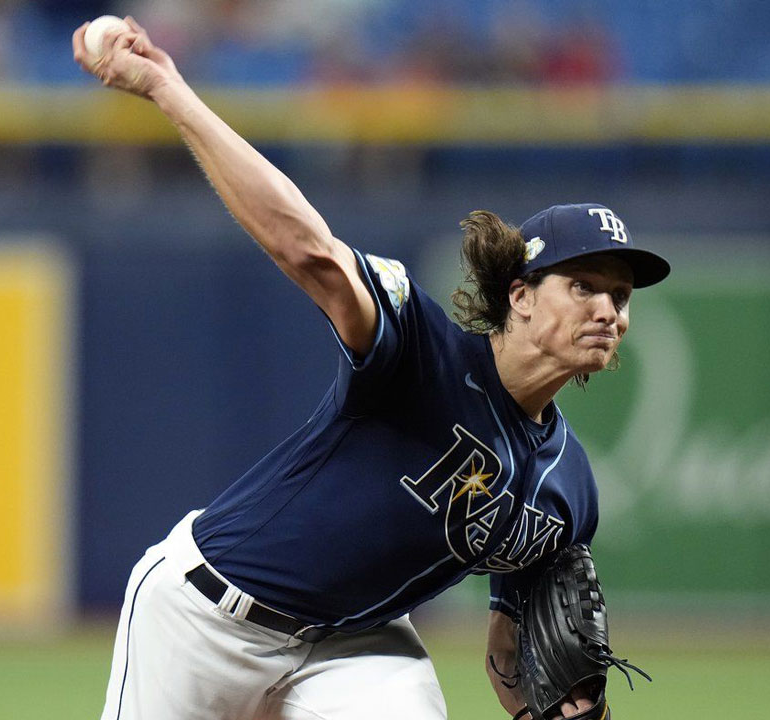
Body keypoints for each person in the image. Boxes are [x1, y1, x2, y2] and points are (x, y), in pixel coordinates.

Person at [73, 17, 670, 720]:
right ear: (521, 297)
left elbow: (510, 654)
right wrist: (166, 87)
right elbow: (311, 252)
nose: (608, 309)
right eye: (584, 286)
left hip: (353, 646)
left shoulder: (569, 491)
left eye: (620, 296)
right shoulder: (419, 349)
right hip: (205, 614)